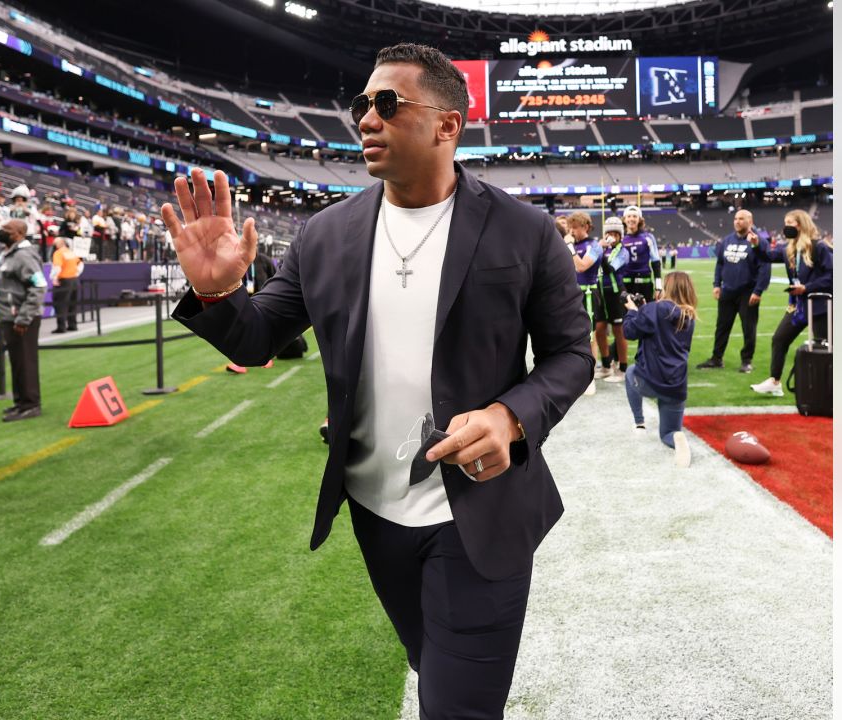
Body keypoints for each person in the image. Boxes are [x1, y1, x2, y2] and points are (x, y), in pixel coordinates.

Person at [165, 43, 591, 717]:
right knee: (431, 665)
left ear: (447, 125)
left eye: (387, 104)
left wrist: (509, 417)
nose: (366, 117)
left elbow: (573, 355)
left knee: (456, 706)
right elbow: (257, 339)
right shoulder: (325, 235)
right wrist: (219, 296)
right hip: (374, 509)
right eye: (362, 103)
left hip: (479, 512)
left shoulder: (526, 231)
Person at [749, 209, 833, 397]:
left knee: (824, 347)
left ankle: (828, 388)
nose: (786, 226)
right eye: (785, 222)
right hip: (798, 305)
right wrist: (756, 245)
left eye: (790, 222)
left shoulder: (819, 247)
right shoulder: (790, 249)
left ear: (801, 224)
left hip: (819, 305)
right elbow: (768, 257)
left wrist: (808, 287)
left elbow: (832, 275)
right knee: (780, 339)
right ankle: (775, 381)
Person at [622, 271, 698, 468]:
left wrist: (632, 310)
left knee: (630, 372)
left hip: (649, 380)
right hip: (676, 386)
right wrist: (645, 310)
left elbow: (629, 331)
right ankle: (678, 438)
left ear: (668, 288)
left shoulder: (654, 309)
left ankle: (639, 423)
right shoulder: (689, 315)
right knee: (668, 433)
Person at [697, 209, 771, 373]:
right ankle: (717, 358)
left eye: (742, 219)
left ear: (750, 221)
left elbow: (765, 268)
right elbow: (720, 264)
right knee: (722, 326)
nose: (737, 221)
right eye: (736, 219)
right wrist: (716, 284)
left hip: (747, 292)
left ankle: (747, 361)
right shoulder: (727, 240)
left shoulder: (759, 242)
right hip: (727, 291)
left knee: (748, 328)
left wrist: (758, 291)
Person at [0, 219, 46, 421]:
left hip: (21, 319)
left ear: (20, 233)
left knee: (25, 361)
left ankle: (31, 404)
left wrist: (24, 318)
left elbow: (39, 286)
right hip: (10, 317)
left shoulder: (24, 256)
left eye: (8, 230)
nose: (2, 232)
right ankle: (20, 402)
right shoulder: (9, 253)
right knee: (17, 362)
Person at [567, 211, 601, 396]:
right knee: (571, 335)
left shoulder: (594, 245)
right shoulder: (573, 244)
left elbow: (581, 266)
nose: (572, 231)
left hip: (588, 292)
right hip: (572, 292)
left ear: (586, 226)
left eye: (575, 227)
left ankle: (591, 376)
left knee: (590, 335)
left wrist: (569, 247)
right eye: (570, 227)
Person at [593, 216, 629, 382]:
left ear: (620, 236)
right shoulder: (603, 249)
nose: (612, 236)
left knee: (618, 331)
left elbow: (608, 269)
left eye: (615, 233)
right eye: (609, 233)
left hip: (615, 295)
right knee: (599, 329)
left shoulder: (623, 251)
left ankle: (622, 368)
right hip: (601, 294)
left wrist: (600, 251)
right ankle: (607, 365)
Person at [616, 205, 663, 302]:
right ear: (624, 220)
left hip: (645, 284)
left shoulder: (648, 237)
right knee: (628, 315)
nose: (631, 219)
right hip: (626, 285)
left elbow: (656, 262)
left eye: (634, 216)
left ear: (639, 219)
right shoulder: (620, 239)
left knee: (647, 314)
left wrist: (658, 286)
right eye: (629, 216)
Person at [49, 233, 84, 334]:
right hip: (74, 280)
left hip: (64, 280)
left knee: (60, 304)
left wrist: (54, 278)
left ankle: (61, 327)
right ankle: (72, 324)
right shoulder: (71, 252)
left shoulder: (58, 253)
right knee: (72, 303)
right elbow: (80, 263)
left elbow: (57, 267)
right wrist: (76, 273)